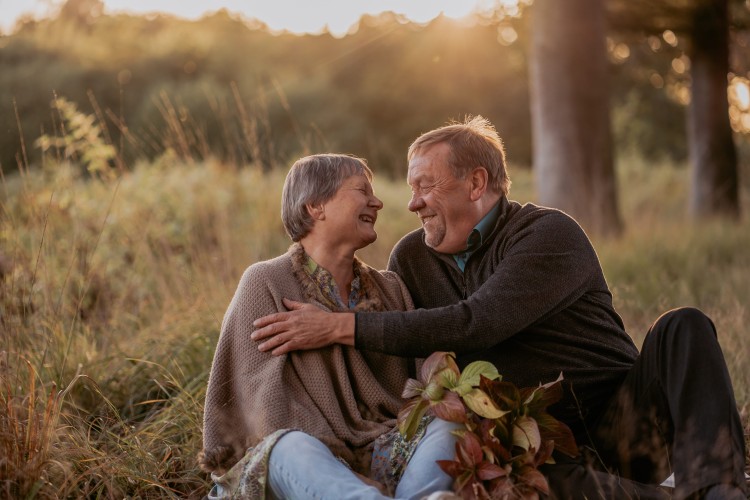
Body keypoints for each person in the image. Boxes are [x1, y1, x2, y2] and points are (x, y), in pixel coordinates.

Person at [252, 118, 748, 499]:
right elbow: (405, 343)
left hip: (627, 422)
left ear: (475, 183)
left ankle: (721, 486)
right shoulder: (411, 257)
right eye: (411, 188)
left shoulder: (548, 234)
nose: (413, 203)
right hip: (541, 448)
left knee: (683, 326)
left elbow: (477, 322)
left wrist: (337, 327)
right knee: (514, 481)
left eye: (426, 186)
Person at [199, 154, 460, 499]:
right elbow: (260, 404)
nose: (377, 202)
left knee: (448, 423)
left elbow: (418, 391)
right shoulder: (264, 281)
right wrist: (341, 469)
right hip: (300, 460)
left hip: (380, 450)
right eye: (362, 191)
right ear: (315, 206)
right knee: (290, 446)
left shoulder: (391, 288)